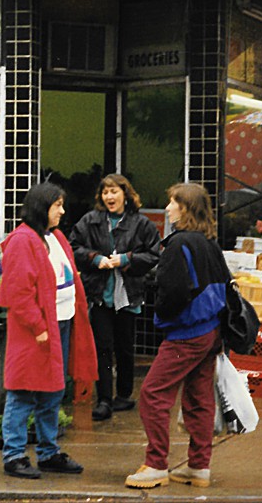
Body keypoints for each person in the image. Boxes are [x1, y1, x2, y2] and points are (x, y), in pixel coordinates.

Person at [125, 182, 227, 490]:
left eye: (173, 202)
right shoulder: (208, 242)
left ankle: (156, 464)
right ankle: (199, 466)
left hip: (186, 333)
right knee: (199, 398)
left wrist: (160, 312)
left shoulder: (178, 244)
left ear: (185, 208)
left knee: (153, 394)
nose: (168, 208)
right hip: (211, 330)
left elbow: (172, 294)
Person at [0, 182, 98, 479]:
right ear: (43, 207)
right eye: (58, 206)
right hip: (37, 330)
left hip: (61, 322)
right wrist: (39, 327)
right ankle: (14, 455)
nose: (62, 212)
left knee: (53, 390)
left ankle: (48, 452)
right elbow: (18, 291)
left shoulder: (54, 237)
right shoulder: (22, 240)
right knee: (24, 391)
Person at [69, 174, 160, 421]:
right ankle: (104, 399)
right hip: (100, 294)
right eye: (105, 192)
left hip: (128, 295)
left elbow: (154, 255)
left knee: (125, 347)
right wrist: (95, 259)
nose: (109, 197)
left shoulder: (142, 224)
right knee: (103, 347)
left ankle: (124, 395)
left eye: (114, 192)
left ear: (126, 194)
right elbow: (74, 247)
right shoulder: (90, 221)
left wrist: (128, 259)